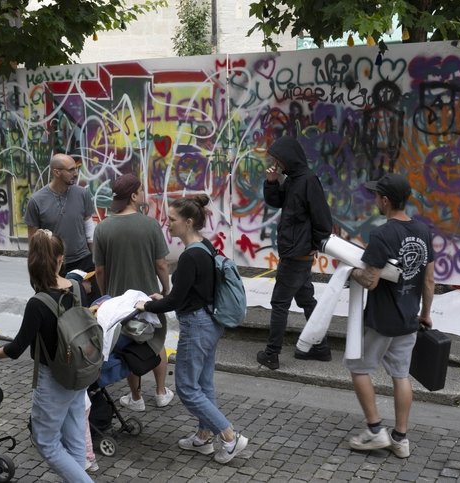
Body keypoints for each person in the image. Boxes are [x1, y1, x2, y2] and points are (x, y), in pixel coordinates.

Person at [135, 196, 249, 465]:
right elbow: (188, 293)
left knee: (186, 387)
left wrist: (147, 305)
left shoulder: (189, 257)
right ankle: (203, 437)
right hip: (210, 322)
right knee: (204, 383)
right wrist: (159, 300)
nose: (167, 223)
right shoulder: (205, 247)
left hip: (196, 325)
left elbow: (175, 301)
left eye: (172, 219)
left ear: (188, 222)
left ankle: (230, 436)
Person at [0, 229, 92, 482]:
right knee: (74, 437)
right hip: (79, 372)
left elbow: (16, 348)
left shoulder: (38, 303)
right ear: (61, 259)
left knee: (46, 442)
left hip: (54, 378)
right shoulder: (76, 287)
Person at [346, 173, 435, 458]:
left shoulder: (382, 235)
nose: (375, 200)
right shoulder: (423, 231)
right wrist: (425, 314)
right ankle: (401, 438)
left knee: (358, 368)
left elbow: (370, 280)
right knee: (401, 375)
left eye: (376, 196)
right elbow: (430, 280)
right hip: (409, 317)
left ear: (385, 200)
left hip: (382, 319)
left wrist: (351, 271)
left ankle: (374, 431)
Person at [93, 173, 174, 411]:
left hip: (119, 301)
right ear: (134, 195)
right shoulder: (150, 225)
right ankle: (160, 392)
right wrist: (166, 289)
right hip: (148, 298)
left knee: (128, 346)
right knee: (156, 341)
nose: (144, 195)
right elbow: (161, 264)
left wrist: (106, 294)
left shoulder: (103, 227)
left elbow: (99, 269)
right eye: (141, 190)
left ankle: (136, 397)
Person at [256, 135, 334, 370]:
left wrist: (314, 245)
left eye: (278, 159)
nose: (276, 163)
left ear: (289, 158)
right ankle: (321, 348)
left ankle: (271, 354)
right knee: (306, 299)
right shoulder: (293, 179)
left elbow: (323, 219)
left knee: (279, 303)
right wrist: (271, 182)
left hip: (295, 254)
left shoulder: (309, 181)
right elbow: (278, 202)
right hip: (296, 251)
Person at [24, 153, 96, 279]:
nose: (76, 173)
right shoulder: (36, 201)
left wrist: (95, 259)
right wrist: (36, 269)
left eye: (76, 168)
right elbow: (33, 241)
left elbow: (89, 227)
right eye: (71, 170)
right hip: (53, 264)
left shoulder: (82, 194)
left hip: (83, 261)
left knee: (87, 298)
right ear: (57, 172)